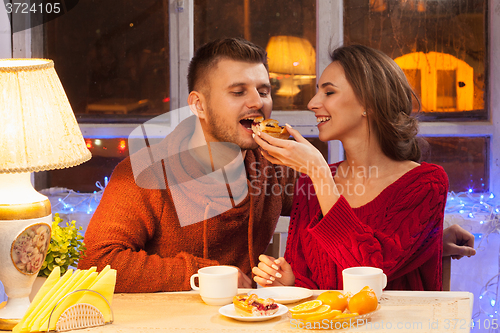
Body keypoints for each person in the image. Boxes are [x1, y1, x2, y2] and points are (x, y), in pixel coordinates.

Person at [78, 38, 297, 292]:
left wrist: (315, 166)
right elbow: (95, 263)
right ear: (199, 105)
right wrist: (204, 276)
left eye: (263, 91)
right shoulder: (143, 173)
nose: (257, 103)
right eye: (238, 92)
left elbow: (335, 212)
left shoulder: (275, 165)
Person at [252, 44, 450, 291]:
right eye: (317, 92)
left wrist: (318, 172)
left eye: (329, 93)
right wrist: (290, 282)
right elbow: (312, 285)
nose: (313, 103)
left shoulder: (426, 183)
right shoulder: (311, 184)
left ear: (369, 103)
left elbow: (371, 274)